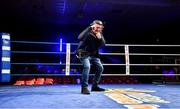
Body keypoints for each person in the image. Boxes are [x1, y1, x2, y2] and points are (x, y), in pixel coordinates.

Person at [75, 20, 106, 94]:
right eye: (97, 27)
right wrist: (89, 28)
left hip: (94, 54)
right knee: (87, 66)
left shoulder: (99, 33)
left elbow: (103, 44)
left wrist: (100, 39)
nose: (98, 29)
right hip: (83, 53)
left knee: (100, 68)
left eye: (100, 27)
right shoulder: (88, 32)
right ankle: (84, 88)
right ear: (93, 26)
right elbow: (79, 38)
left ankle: (95, 86)